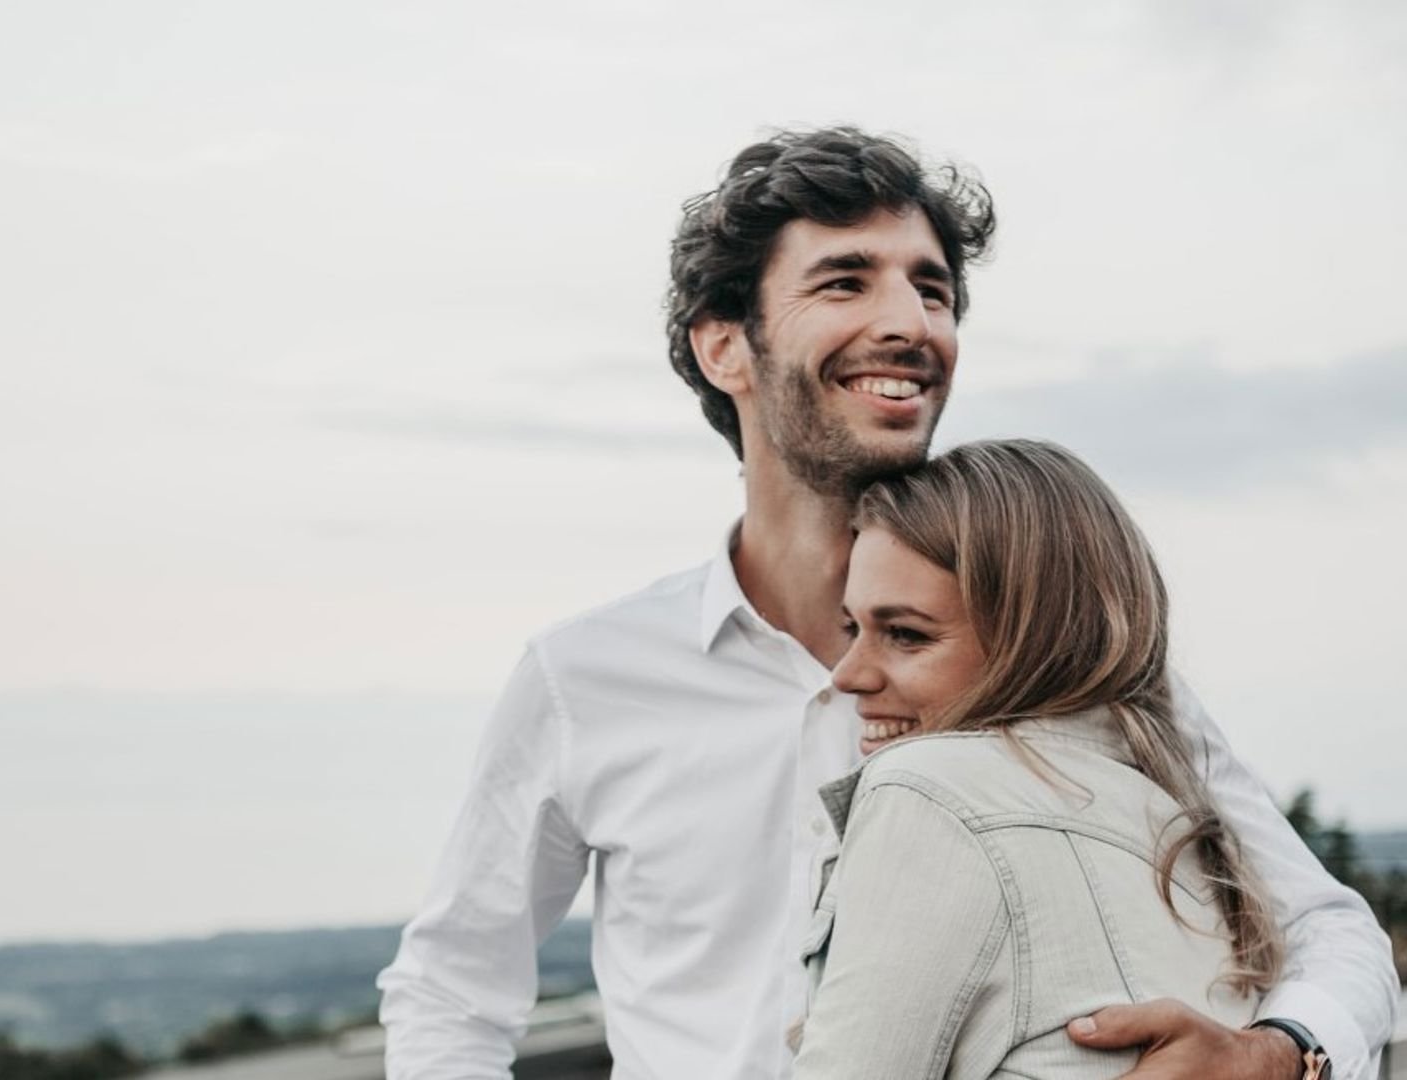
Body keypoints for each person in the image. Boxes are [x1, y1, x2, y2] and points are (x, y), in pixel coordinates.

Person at [376, 127, 1399, 1079]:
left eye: (933, 289)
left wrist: (1282, 1053)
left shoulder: (1054, 652)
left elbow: (1330, 930)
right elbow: (449, 995)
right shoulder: (585, 677)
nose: (911, 323)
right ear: (724, 346)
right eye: (845, 281)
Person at [792, 438, 1289, 1078]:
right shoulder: (1181, 826)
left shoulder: (930, 791)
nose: (847, 674)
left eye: (907, 634)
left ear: (1036, 639)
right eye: (852, 629)